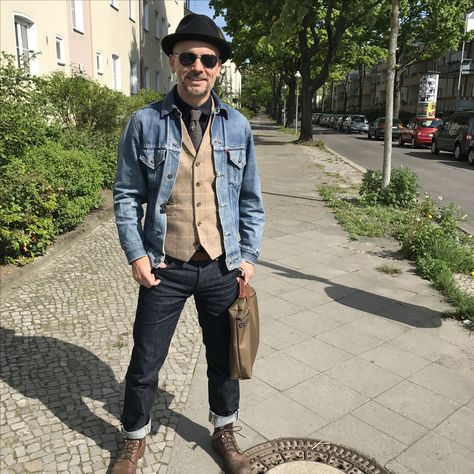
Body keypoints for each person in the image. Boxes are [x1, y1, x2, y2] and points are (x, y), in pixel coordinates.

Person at [112, 13, 265, 474]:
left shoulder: (237, 126)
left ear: (218, 67)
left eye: (208, 58)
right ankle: (134, 438)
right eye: (188, 57)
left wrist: (249, 257)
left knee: (225, 360)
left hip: (222, 265)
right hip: (165, 265)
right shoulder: (144, 123)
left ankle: (224, 429)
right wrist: (137, 254)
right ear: (175, 63)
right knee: (145, 360)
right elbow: (126, 193)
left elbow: (252, 200)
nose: (198, 66)